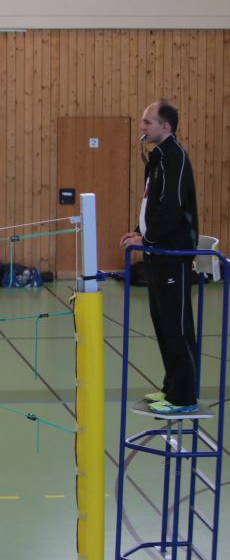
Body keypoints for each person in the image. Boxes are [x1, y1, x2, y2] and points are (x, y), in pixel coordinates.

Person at [120, 99, 200, 415]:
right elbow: (149, 204)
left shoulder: (175, 157)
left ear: (165, 127)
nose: (142, 127)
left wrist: (148, 238)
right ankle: (171, 387)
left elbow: (172, 208)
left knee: (176, 326)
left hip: (172, 254)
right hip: (156, 252)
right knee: (162, 322)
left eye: (147, 122)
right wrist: (136, 233)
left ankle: (184, 397)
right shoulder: (157, 159)